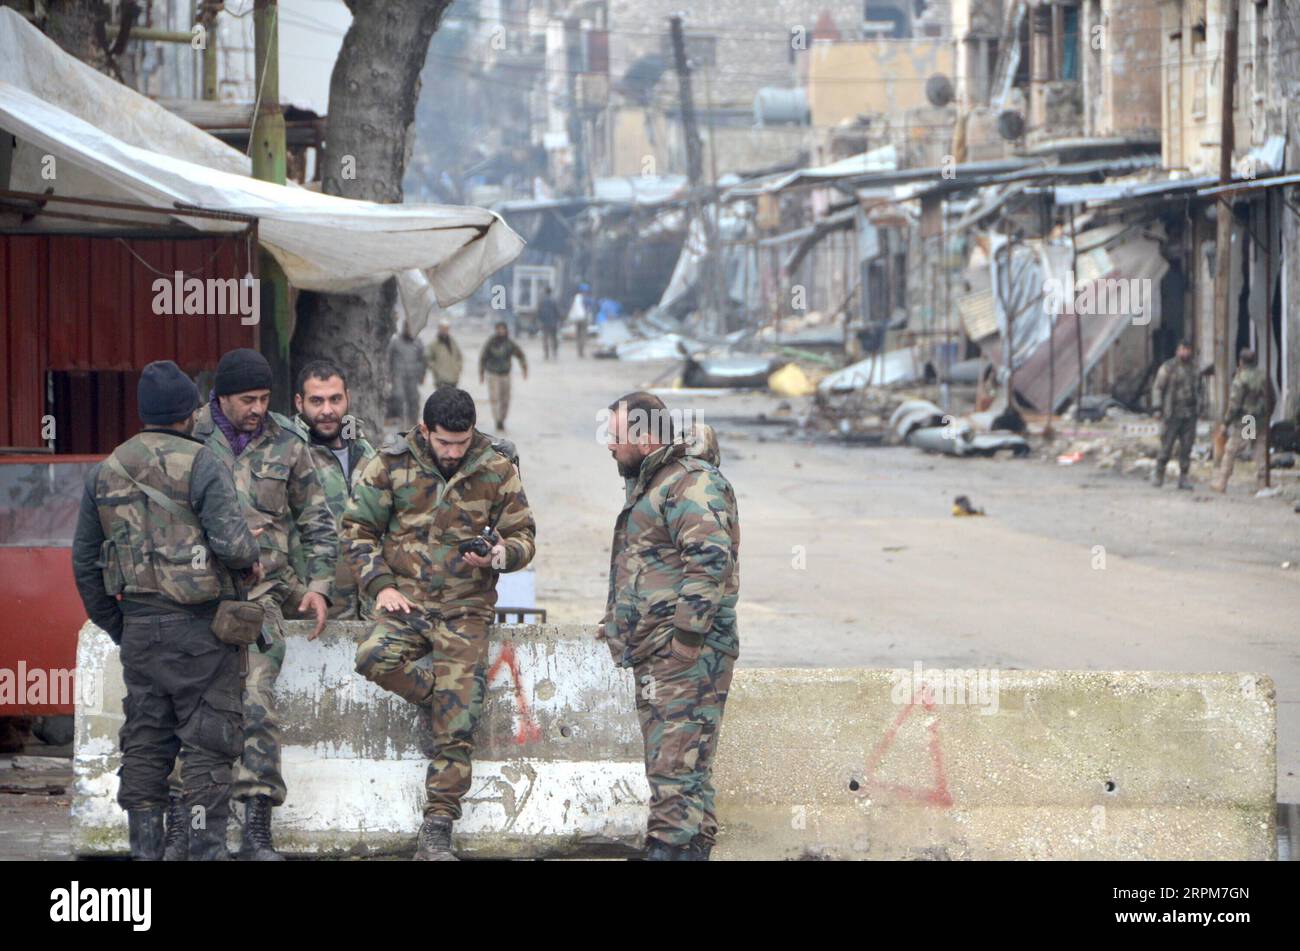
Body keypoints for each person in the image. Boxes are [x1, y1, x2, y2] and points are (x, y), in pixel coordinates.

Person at [71, 361, 261, 860]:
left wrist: (119, 624)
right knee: (207, 746)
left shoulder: (106, 469)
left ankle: (145, 854)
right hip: (201, 633)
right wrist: (250, 555)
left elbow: (84, 564)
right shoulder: (201, 463)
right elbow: (235, 548)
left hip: (138, 629)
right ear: (188, 412)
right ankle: (204, 851)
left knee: (146, 742)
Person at [343, 387, 536, 860]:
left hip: (465, 607)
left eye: (461, 442)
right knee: (373, 657)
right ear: (425, 431)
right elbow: (357, 531)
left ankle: (438, 827)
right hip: (404, 602)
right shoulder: (388, 465)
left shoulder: (495, 466)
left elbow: (524, 536)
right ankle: (444, 699)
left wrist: (499, 554)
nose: (453, 452)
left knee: (456, 727)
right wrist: (379, 585)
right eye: (444, 443)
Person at [190, 348, 337, 860]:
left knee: (256, 701)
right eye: (247, 399)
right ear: (222, 397)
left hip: (260, 599)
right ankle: (192, 830)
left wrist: (318, 585)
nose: (257, 408)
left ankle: (257, 828)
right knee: (193, 712)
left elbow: (318, 521)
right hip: (195, 598)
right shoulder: (189, 437)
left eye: (264, 398)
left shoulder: (287, 443)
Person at [600, 392, 740, 860]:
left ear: (643, 437)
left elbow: (709, 562)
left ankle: (668, 849)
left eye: (615, 437)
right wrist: (618, 621)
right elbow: (648, 565)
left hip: (684, 653)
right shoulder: (652, 482)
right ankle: (691, 848)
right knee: (687, 768)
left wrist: (685, 639)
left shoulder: (690, 484)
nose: (608, 447)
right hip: (659, 647)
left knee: (673, 768)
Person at [287, 360, 378, 618]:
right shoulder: (286, 453)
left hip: (367, 608)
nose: (327, 410)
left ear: (347, 398)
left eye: (335, 399)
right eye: (316, 401)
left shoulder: (365, 450)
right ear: (299, 402)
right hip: (311, 605)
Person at [1212, 348, 1273, 493]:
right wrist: (1268, 414)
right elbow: (1273, 398)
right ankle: (1262, 484)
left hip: (1247, 419)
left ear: (1240, 361)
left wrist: (1226, 422)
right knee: (1260, 450)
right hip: (1261, 419)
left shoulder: (1241, 378)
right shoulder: (1263, 375)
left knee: (1231, 449)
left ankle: (1222, 482)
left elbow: (1234, 404)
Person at [1150, 339, 1204, 490]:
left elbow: (1200, 389)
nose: (1185, 352)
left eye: (1188, 349)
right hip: (1172, 413)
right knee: (1166, 446)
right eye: (1183, 349)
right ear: (1177, 351)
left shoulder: (1195, 369)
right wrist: (1157, 408)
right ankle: (1159, 474)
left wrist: (1202, 407)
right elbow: (1158, 388)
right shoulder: (1169, 367)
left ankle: (1184, 477)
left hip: (1190, 414)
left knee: (1187, 448)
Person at [479, 320, 528, 430]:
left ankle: (502, 419)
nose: (500, 331)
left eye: (502, 329)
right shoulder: (491, 343)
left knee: (505, 399)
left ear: (506, 330)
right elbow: (483, 358)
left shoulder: (509, 343)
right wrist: (481, 373)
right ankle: (497, 420)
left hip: (505, 375)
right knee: (494, 398)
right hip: (493, 374)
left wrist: (524, 368)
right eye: (498, 329)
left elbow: (520, 355)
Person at [386, 324, 427, 427]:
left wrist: (422, 375)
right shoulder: (395, 342)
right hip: (398, 375)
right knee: (398, 397)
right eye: (407, 328)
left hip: (413, 376)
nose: (409, 330)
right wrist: (388, 375)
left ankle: (413, 423)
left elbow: (423, 360)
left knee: (414, 399)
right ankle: (398, 421)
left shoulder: (418, 342)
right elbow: (388, 358)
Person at [428, 319, 464, 388]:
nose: (445, 330)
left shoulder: (453, 342)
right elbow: (428, 358)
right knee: (442, 398)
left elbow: (459, 356)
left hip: (453, 378)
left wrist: (459, 367)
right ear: (439, 329)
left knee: (453, 397)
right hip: (441, 379)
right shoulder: (434, 344)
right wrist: (436, 368)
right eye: (443, 328)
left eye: (446, 328)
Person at [568, 282, 594, 358]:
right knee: (583, 335)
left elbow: (573, 308)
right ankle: (581, 352)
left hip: (577, 318)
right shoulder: (588, 299)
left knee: (578, 335)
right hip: (584, 318)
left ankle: (579, 351)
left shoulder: (577, 298)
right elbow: (590, 309)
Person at [537, 286, 561, 360]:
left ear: (545, 292)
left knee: (545, 338)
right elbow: (557, 311)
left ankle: (546, 354)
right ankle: (554, 352)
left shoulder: (541, 301)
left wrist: (540, 320)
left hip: (544, 323)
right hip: (553, 322)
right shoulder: (554, 301)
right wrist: (559, 319)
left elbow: (539, 311)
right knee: (554, 338)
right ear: (551, 292)